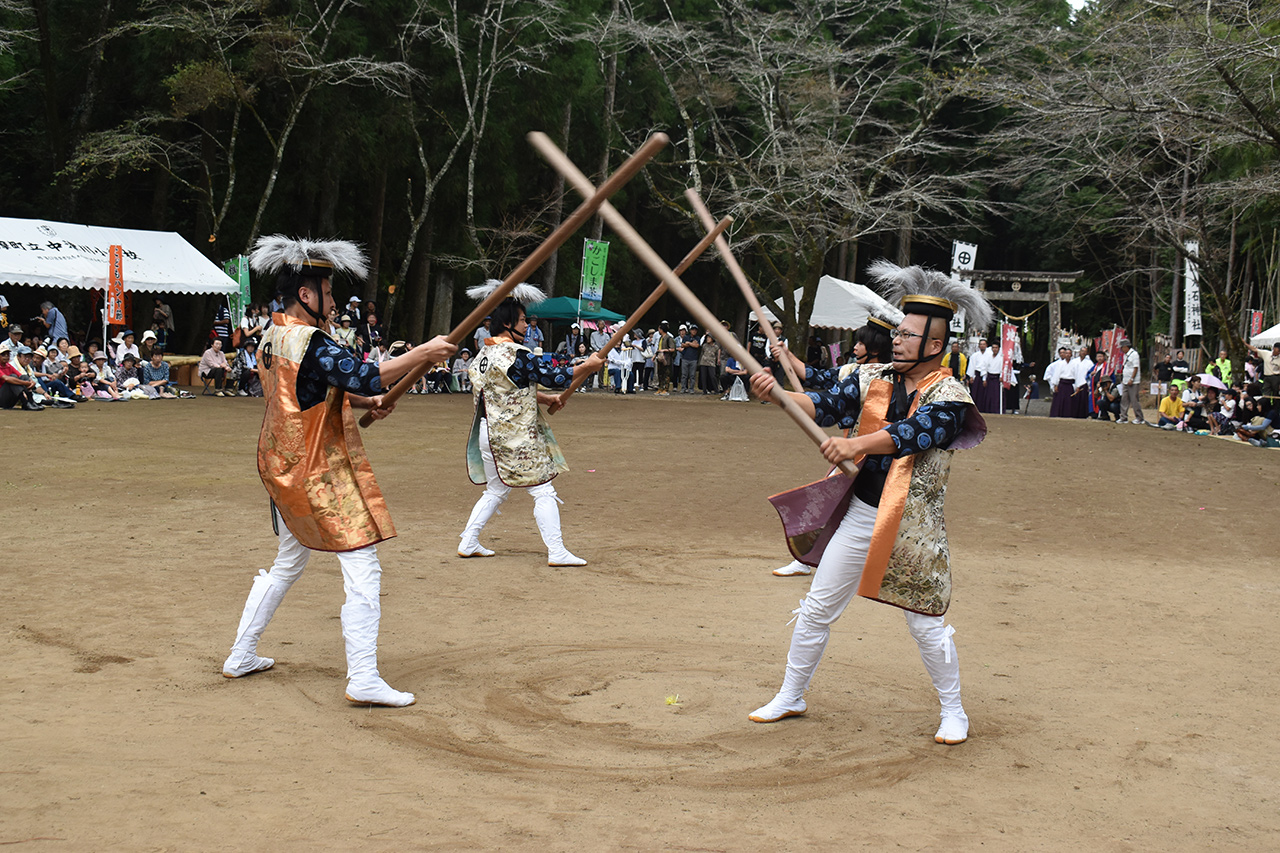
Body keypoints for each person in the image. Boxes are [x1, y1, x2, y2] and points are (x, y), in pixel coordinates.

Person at [747, 260, 990, 746]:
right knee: (816, 608)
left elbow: (917, 433)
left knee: (925, 623)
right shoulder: (873, 376)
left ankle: (953, 710)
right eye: (897, 331)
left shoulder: (951, 394)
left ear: (935, 346)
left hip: (911, 524)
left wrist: (857, 445)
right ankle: (792, 695)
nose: (896, 340)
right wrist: (780, 396)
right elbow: (830, 403)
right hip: (861, 513)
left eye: (907, 335)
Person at [222, 235, 455, 707]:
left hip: (281, 464)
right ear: (306, 295)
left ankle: (241, 654)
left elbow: (312, 389)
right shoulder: (308, 339)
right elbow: (364, 374)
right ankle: (363, 677)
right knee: (362, 562)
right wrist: (423, 354)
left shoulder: (272, 335)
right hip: (313, 468)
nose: (332, 302)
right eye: (327, 293)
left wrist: (364, 401)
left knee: (288, 563)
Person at [458, 280, 604, 566]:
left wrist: (545, 398)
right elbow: (552, 375)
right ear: (509, 323)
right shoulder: (516, 355)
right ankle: (557, 551)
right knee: (543, 488)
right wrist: (587, 366)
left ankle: (468, 540)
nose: (527, 326)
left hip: (488, 434)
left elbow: (508, 390)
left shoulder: (483, 356)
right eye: (523, 321)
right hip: (513, 438)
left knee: (496, 490)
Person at [770, 311, 898, 578]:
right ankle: (807, 561)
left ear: (875, 347)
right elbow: (816, 377)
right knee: (829, 506)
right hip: (850, 453)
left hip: (876, 459)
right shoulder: (853, 371)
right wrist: (786, 354)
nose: (855, 347)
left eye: (861, 343)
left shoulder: (892, 378)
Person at [1117, 338, 1145, 424]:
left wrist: (1132, 378)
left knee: (1134, 399)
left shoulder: (1134, 354)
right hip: (1125, 380)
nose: (1121, 349)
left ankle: (1139, 417)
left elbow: (1135, 367)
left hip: (1133, 381)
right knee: (1124, 399)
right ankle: (1123, 417)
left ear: (1126, 347)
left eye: (1122, 347)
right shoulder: (1126, 355)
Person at [1044, 347, 1072, 417]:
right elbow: (1056, 374)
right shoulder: (1058, 364)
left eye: (1069, 353)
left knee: (1069, 400)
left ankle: (1068, 414)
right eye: (1065, 353)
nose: (1066, 355)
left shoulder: (1074, 363)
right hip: (1061, 383)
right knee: (1059, 400)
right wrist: (1055, 385)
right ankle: (1057, 414)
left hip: (1070, 383)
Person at [655, 322, 676, 396]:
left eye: (659, 329)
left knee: (666, 374)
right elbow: (658, 348)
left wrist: (664, 350)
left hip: (666, 359)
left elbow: (673, 349)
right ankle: (660, 388)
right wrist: (655, 355)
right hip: (660, 358)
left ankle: (665, 389)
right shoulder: (661, 338)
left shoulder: (669, 338)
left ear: (661, 329)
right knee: (660, 373)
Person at [679, 323, 700, 392]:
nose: (694, 331)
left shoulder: (697, 338)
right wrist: (691, 344)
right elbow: (682, 345)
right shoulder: (686, 337)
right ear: (690, 330)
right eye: (693, 330)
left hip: (694, 359)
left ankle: (691, 388)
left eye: (695, 330)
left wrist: (688, 343)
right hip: (685, 358)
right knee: (684, 375)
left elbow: (697, 346)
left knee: (692, 375)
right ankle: (683, 388)